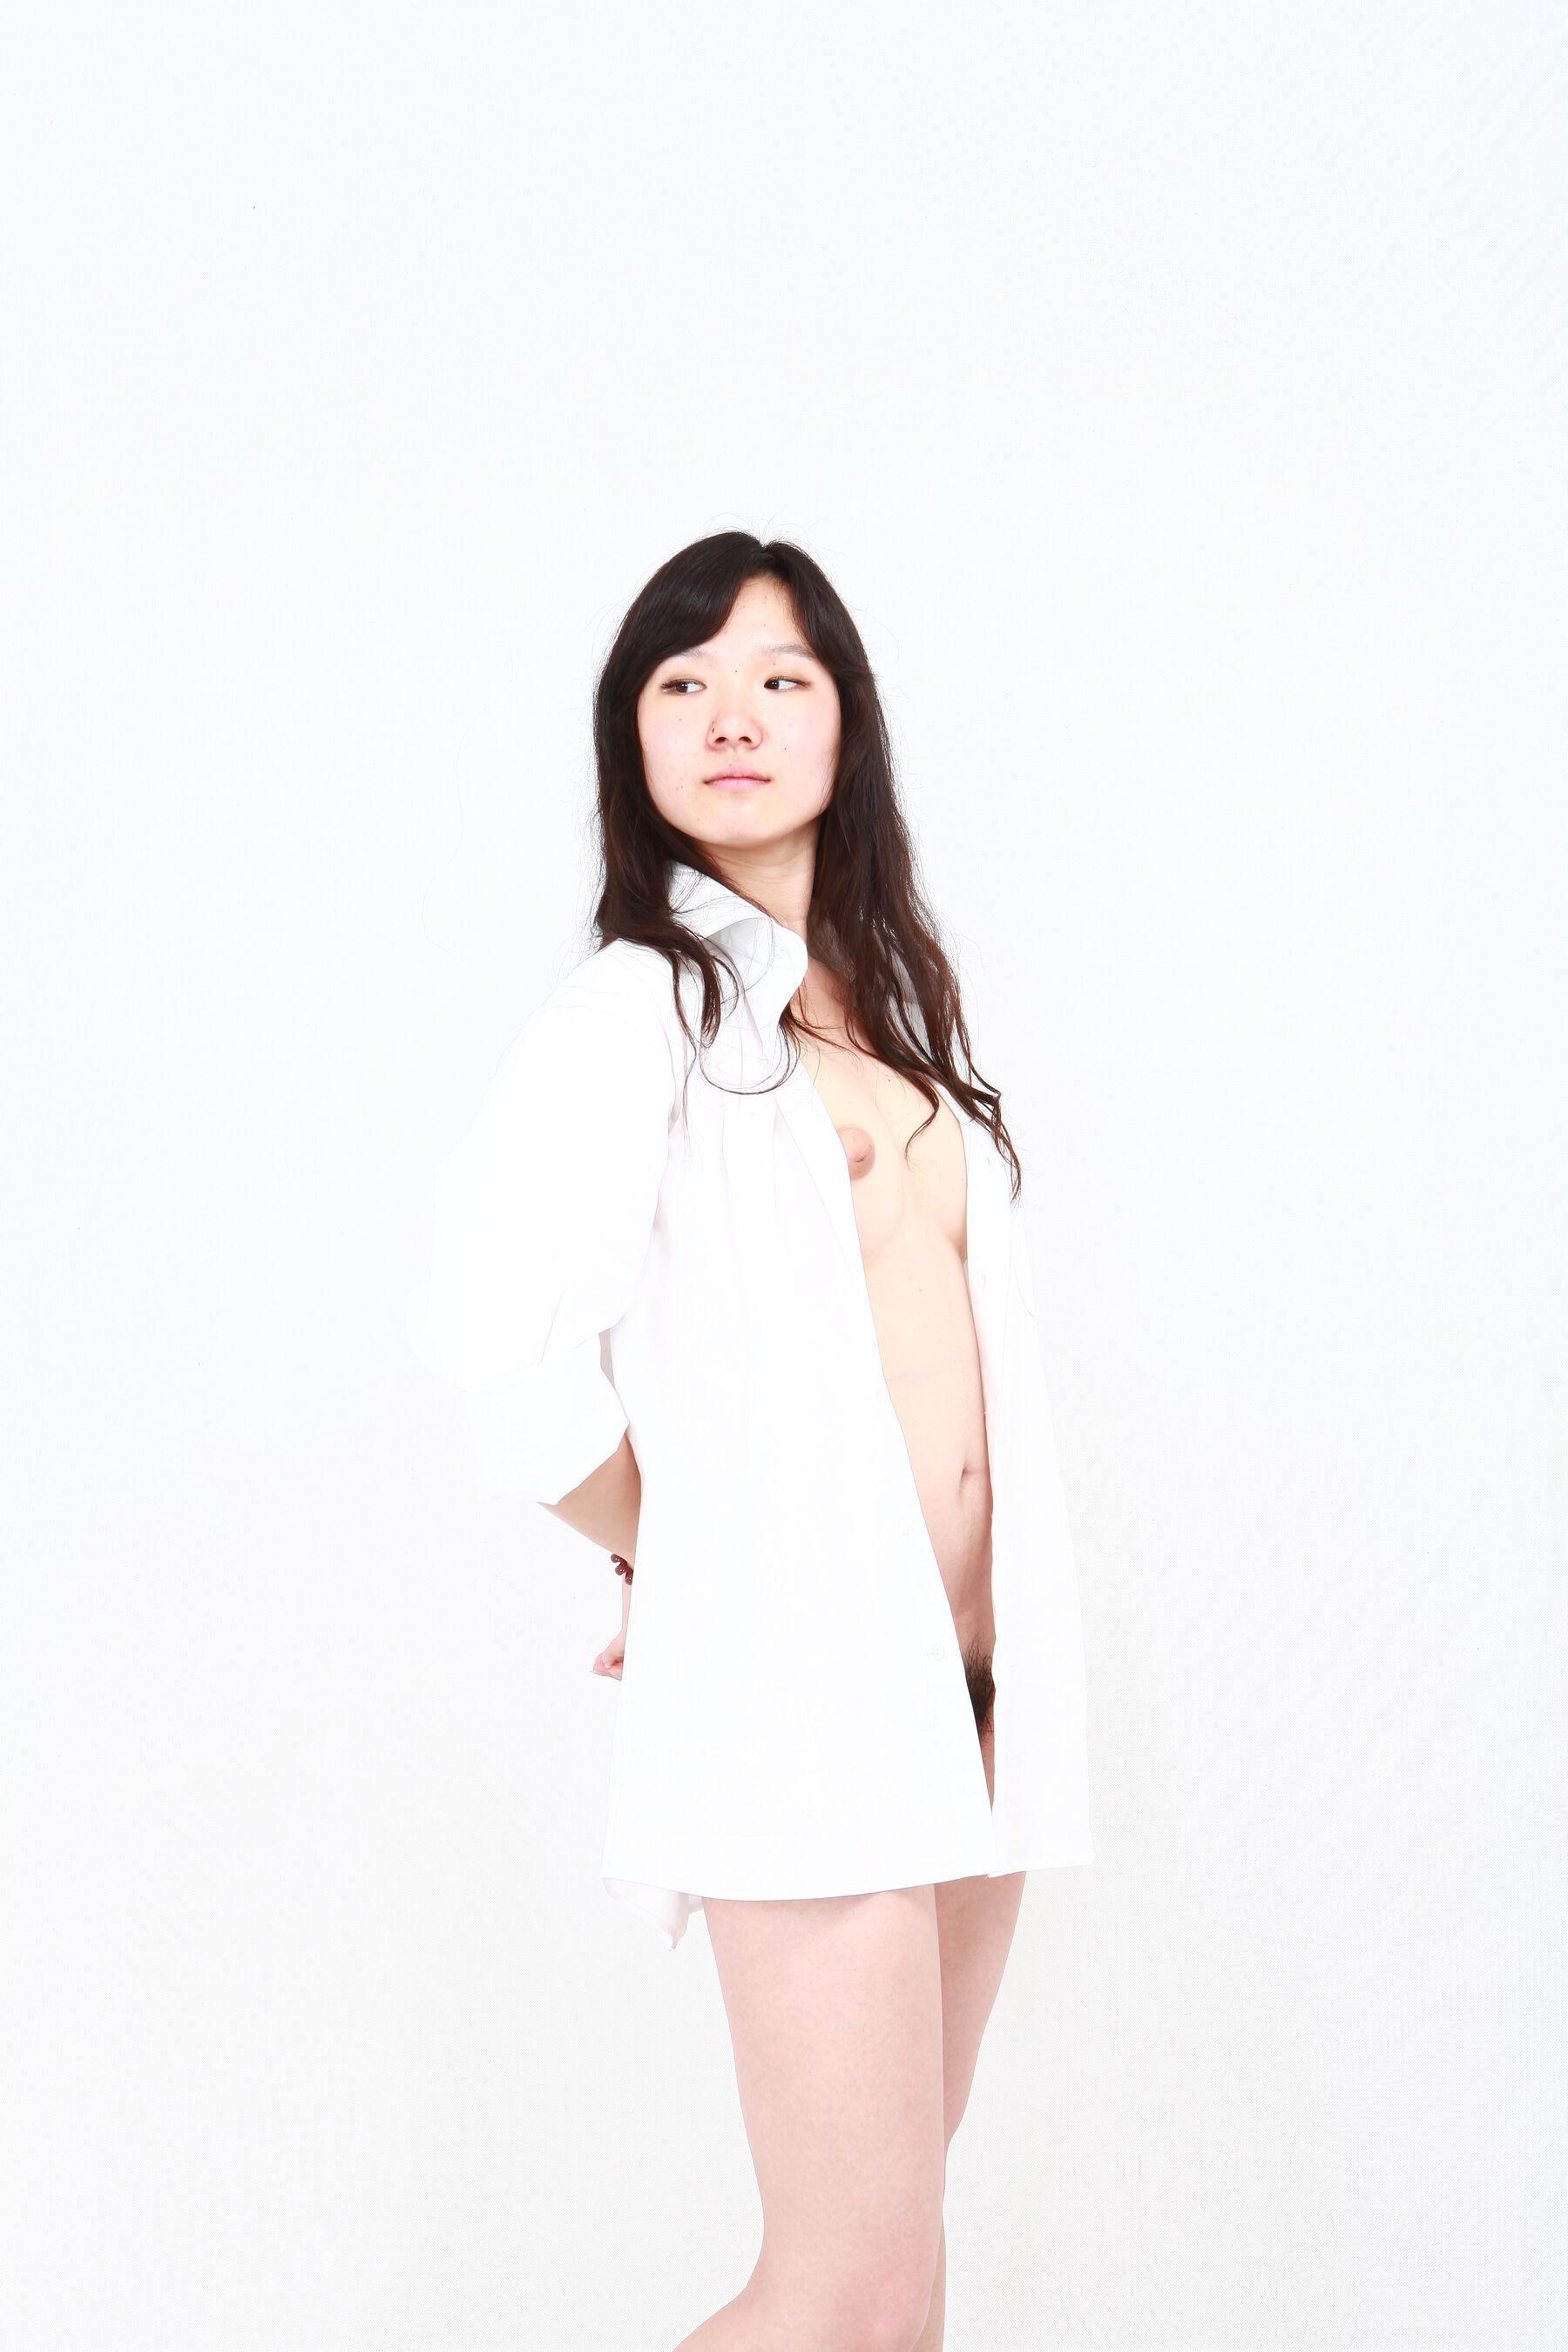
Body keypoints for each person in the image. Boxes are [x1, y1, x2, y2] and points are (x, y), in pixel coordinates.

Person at [409, 531, 1093, 2350]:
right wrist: (674, 1547)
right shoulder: (644, 1006)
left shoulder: (893, 1010)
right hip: (807, 1697)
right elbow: (488, 1337)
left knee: (897, 2283)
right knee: (843, 2290)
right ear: (630, 737)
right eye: (684, 681)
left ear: (844, 724)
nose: (733, 716)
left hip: (972, 1702)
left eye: (781, 679)